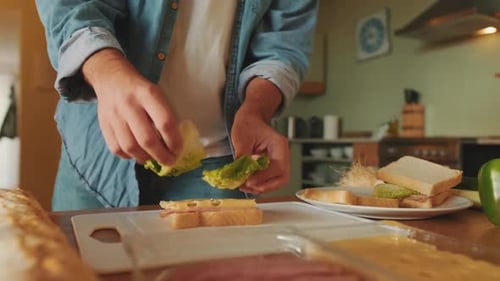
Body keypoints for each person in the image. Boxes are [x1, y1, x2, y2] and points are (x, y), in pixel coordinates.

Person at [35, 0, 318, 211]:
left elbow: (283, 46)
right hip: (97, 151)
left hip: (221, 157)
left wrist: (256, 110)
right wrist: (108, 72)